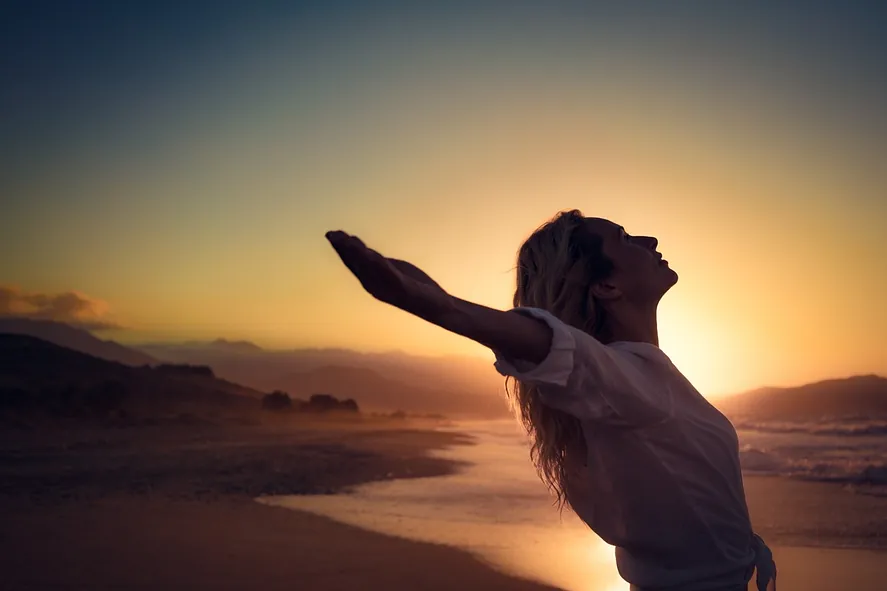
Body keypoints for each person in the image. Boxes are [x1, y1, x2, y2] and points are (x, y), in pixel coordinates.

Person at [325, 209, 776, 591]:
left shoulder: (633, 378)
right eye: (622, 238)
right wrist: (437, 307)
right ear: (606, 287)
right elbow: (549, 345)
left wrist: (435, 299)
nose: (649, 238)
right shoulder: (624, 379)